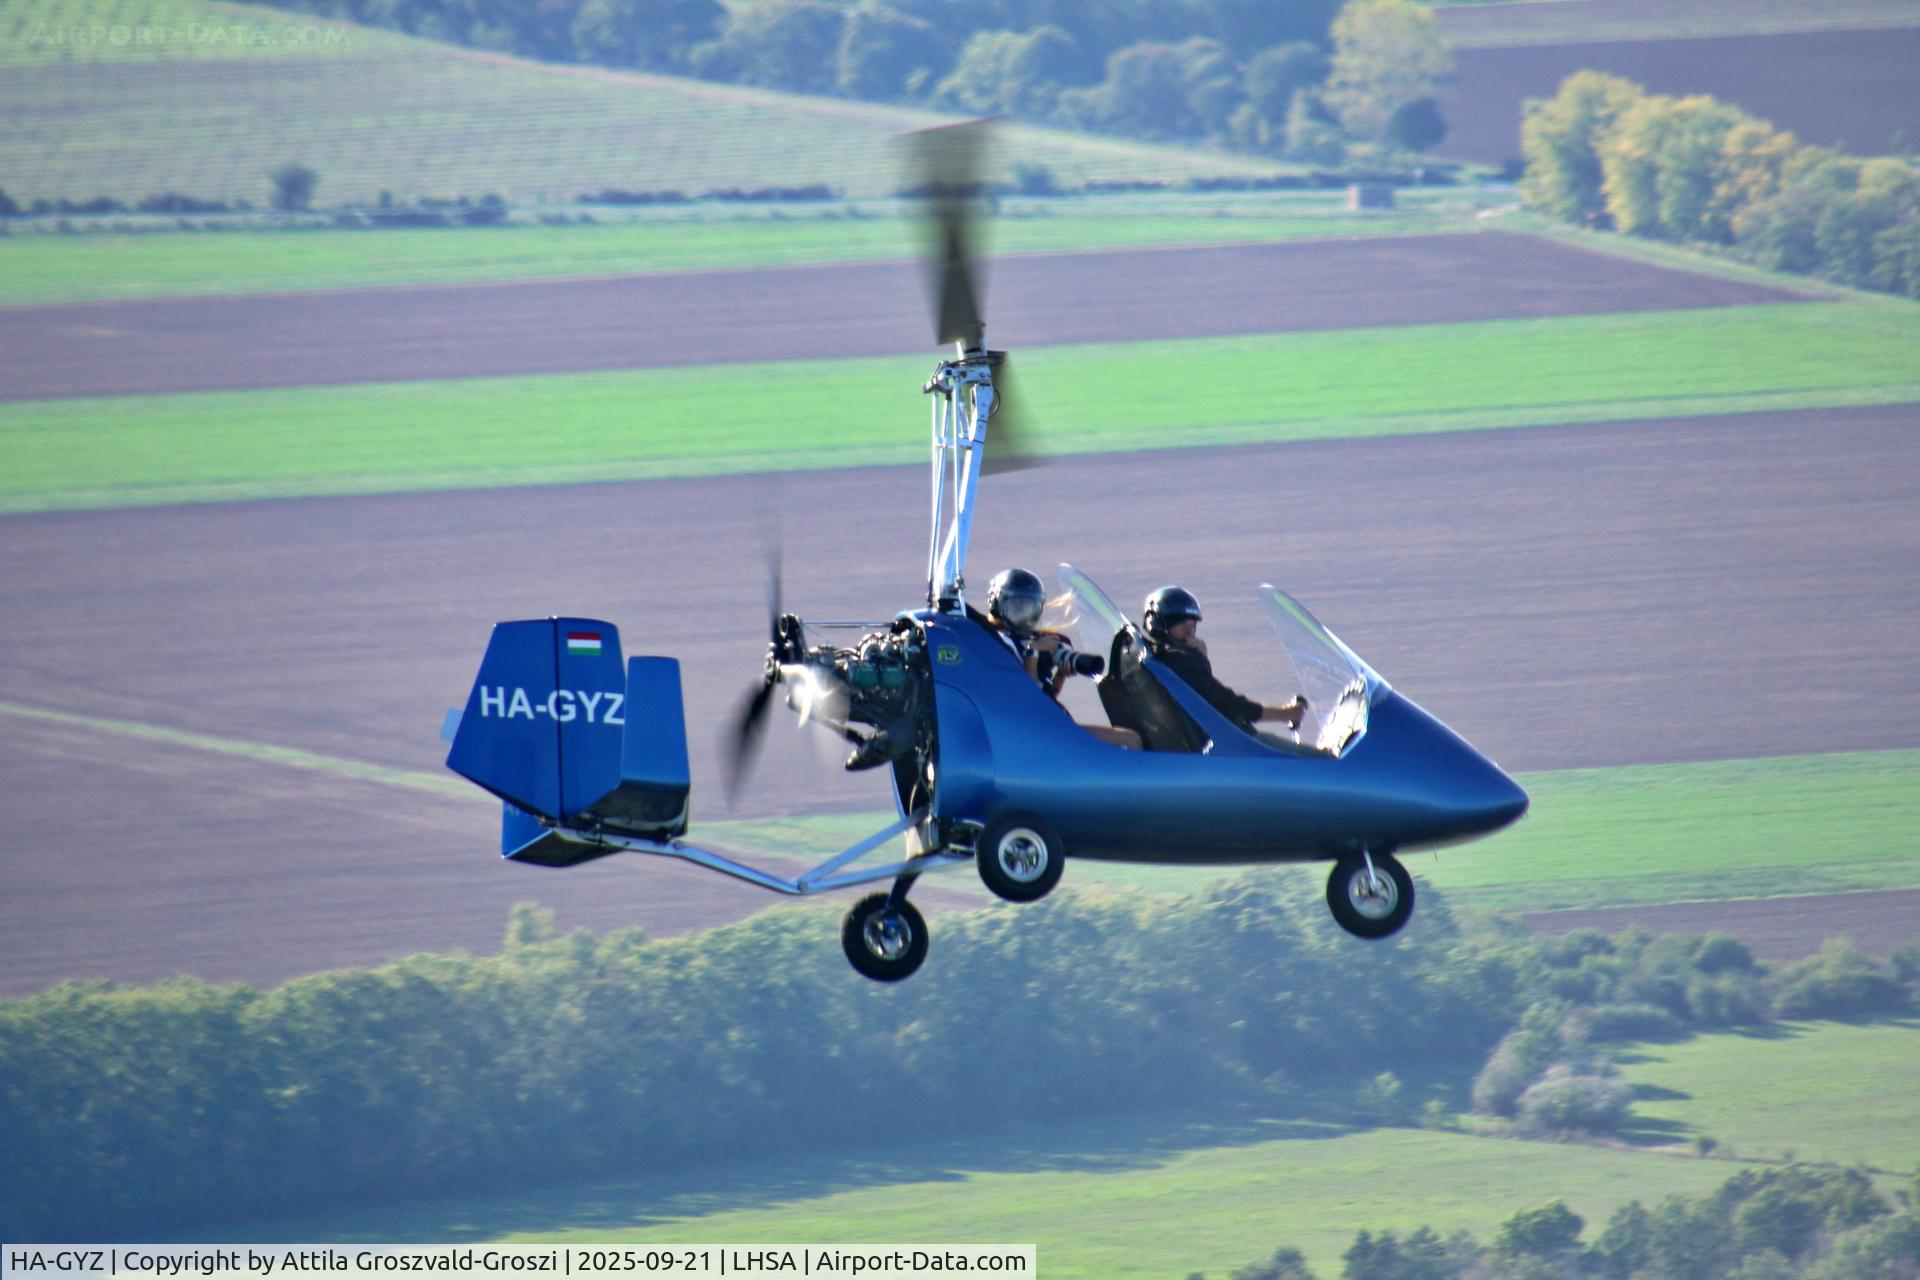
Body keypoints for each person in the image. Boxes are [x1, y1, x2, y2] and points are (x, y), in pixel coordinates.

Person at [984, 568, 1140, 749]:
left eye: (1030, 606)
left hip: (1050, 725)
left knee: (1131, 737)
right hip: (1035, 732)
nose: (1025, 614)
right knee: (1129, 741)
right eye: (1017, 606)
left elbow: (1046, 695)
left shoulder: (1030, 640)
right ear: (997, 604)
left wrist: (1061, 675)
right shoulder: (998, 644)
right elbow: (1026, 699)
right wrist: (1033, 654)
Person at [1142, 586, 1307, 737]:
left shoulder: (1155, 657)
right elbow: (1227, 703)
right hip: (1212, 746)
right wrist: (1286, 715)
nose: (1189, 633)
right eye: (1182, 624)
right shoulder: (1179, 663)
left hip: (1192, 741)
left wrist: (1198, 659)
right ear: (1163, 624)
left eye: (1192, 627)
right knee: (1307, 757)